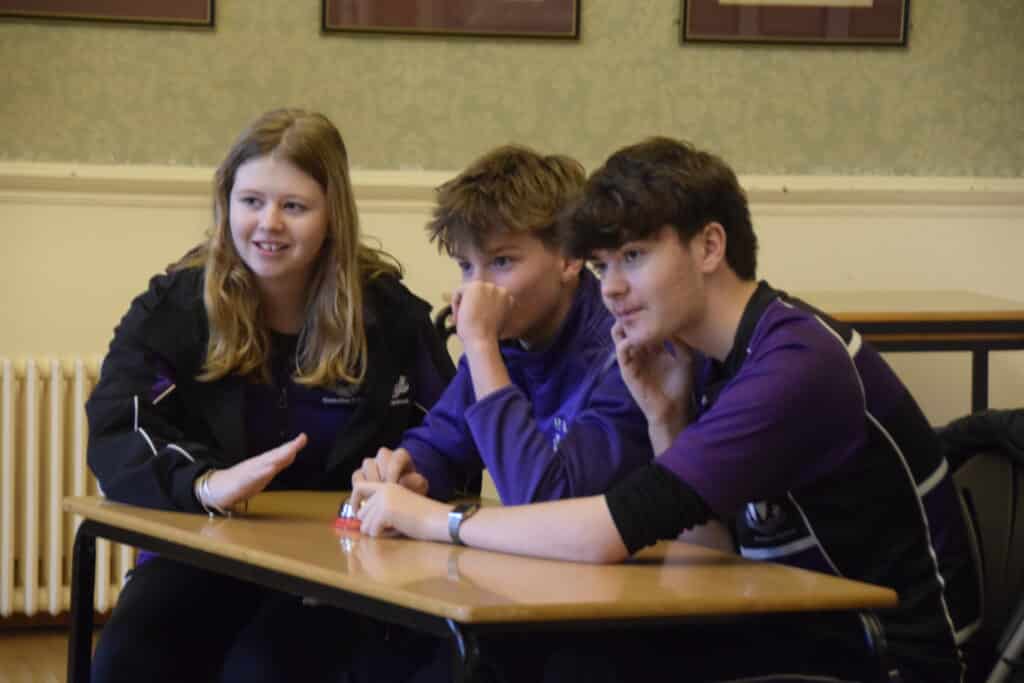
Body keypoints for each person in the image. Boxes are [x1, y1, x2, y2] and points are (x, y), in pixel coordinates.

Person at [352, 137, 980, 682]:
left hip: (889, 657)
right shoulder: (696, 358)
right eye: (604, 264)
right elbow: (709, 548)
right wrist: (666, 419)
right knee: (524, 658)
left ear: (710, 246)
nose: (611, 287)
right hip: (792, 624)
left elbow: (605, 532)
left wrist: (435, 520)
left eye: (634, 257)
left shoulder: (796, 362)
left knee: (570, 666)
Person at [85, 108, 455, 683]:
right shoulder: (175, 307)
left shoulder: (389, 315)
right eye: (252, 201)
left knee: (262, 670)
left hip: (343, 566)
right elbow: (117, 424)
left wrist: (414, 472)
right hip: (204, 548)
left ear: (333, 215)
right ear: (226, 203)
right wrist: (205, 484)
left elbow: (450, 432)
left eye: (294, 207)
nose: (269, 224)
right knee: (126, 658)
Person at [353, 144, 656, 508]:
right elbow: (441, 443)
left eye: (501, 262)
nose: (476, 288)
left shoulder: (625, 350)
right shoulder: (507, 341)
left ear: (570, 258)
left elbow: (550, 503)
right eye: (466, 266)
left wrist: (481, 347)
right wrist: (410, 470)